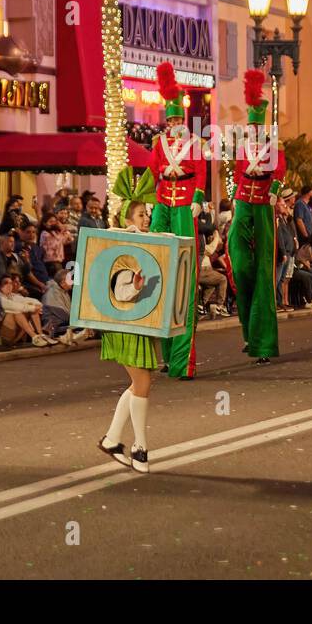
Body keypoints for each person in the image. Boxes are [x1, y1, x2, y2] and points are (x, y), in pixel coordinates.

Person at [96, 173, 162, 473]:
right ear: (127, 220)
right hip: (123, 325)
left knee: (139, 383)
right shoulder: (123, 246)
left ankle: (112, 439)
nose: (146, 218)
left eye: (147, 214)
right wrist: (136, 286)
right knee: (143, 383)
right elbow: (120, 291)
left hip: (137, 323)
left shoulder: (141, 244)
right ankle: (140, 447)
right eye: (140, 214)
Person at [148, 62, 207, 380]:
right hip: (164, 204)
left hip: (184, 205)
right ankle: (167, 355)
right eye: (169, 120)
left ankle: (184, 360)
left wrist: (198, 198)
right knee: (160, 271)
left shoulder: (193, 144)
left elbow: (201, 173)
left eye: (176, 120)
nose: (173, 124)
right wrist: (159, 177)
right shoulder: (159, 144)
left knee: (185, 275)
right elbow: (152, 170)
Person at [228, 70, 286, 364]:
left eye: (255, 125)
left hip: (263, 204)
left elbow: (280, 171)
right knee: (239, 264)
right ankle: (248, 331)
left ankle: (262, 342)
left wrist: (273, 190)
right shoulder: (242, 148)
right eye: (249, 125)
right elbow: (239, 172)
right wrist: (237, 189)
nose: (252, 129)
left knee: (264, 269)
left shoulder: (273, 147)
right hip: (243, 202)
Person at [0, 273, 52, 348]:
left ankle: (40, 335)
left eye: (10, 283)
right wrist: (33, 307)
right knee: (17, 312)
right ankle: (34, 337)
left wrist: (37, 306)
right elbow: (14, 306)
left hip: (11, 337)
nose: (9, 286)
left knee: (31, 309)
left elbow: (27, 300)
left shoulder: (11, 295)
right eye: (5, 283)